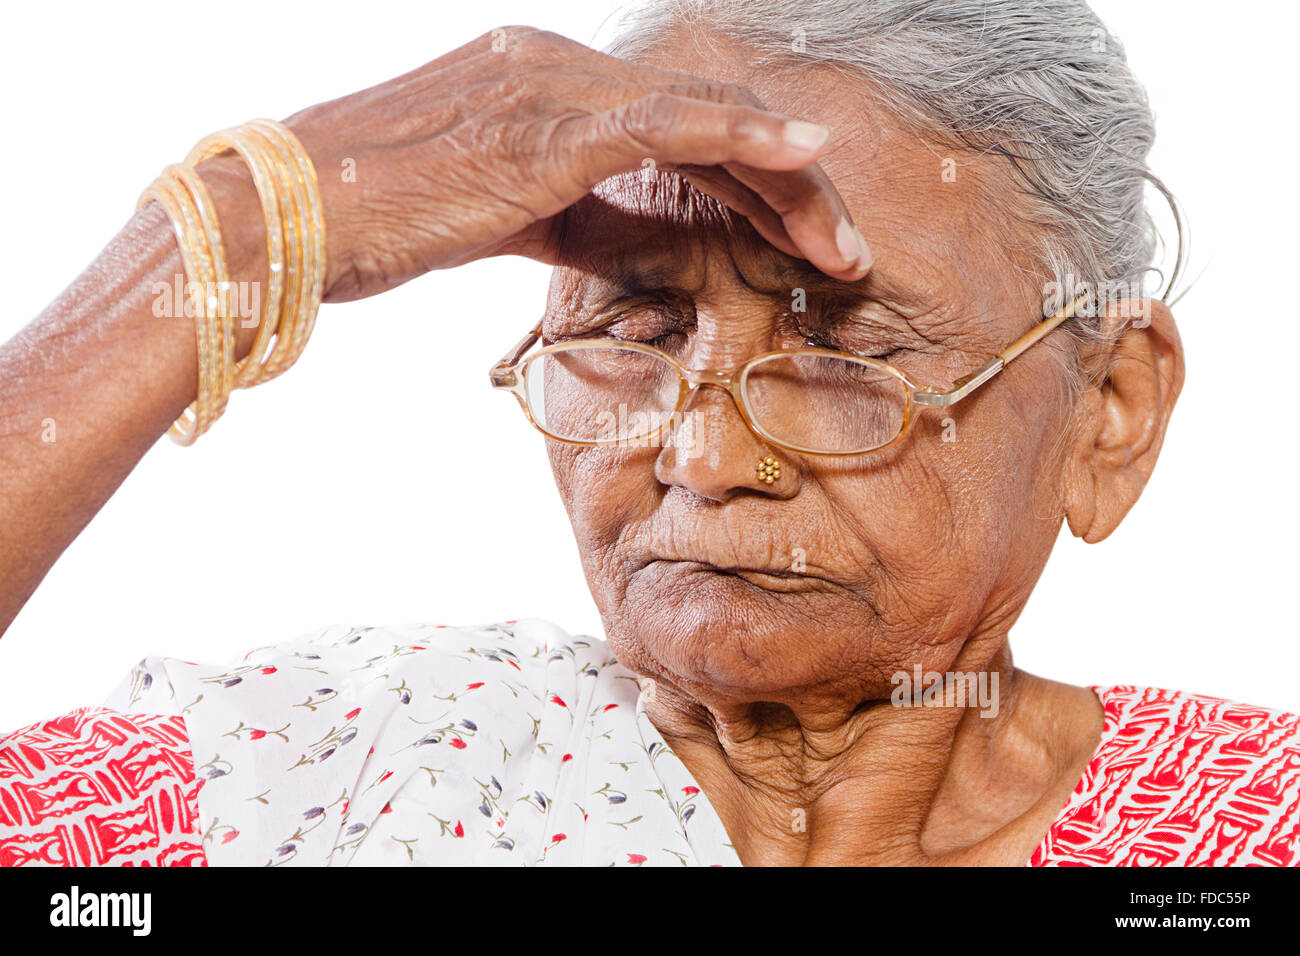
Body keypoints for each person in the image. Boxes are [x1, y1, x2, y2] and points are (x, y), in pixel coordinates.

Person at [1, 0, 1296, 867]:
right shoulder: (322, 771)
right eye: (636, 327)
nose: (705, 458)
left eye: (844, 348)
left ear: (1110, 411)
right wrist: (231, 232)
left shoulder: (1249, 827)